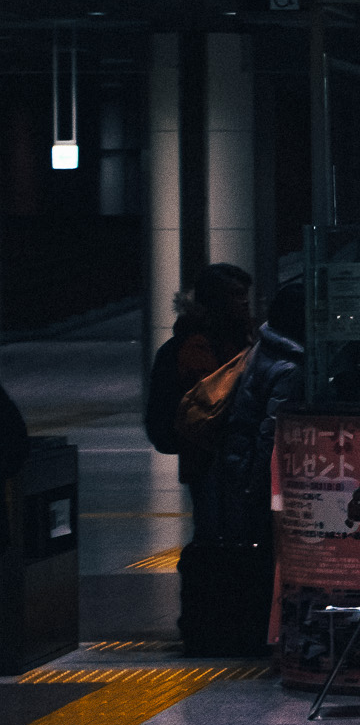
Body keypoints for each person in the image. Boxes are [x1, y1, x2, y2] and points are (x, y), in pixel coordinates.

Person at [183, 280, 305, 657]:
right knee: (257, 557)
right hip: (251, 474)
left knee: (243, 550)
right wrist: (259, 488)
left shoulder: (262, 349)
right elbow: (271, 434)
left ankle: (240, 630)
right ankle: (251, 632)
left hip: (236, 468)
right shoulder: (287, 366)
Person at [145, 262, 254, 490]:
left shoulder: (234, 337)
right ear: (216, 301)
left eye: (245, 294)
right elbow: (216, 402)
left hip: (217, 456)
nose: (245, 301)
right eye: (236, 295)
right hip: (210, 459)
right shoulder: (197, 346)